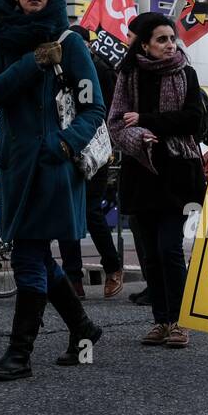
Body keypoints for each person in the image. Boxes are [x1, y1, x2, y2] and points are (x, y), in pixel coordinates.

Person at [0, 0, 105, 378]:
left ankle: (19, 355)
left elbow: (93, 108)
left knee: (28, 256)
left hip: (54, 166)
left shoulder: (70, 43)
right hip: (16, 164)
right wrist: (31, 63)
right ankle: (83, 327)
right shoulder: (0, 41)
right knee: (36, 256)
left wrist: (63, 145)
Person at [107, 12, 206, 348]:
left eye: (171, 38)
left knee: (168, 248)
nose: (169, 45)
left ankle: (180, 322)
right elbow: (117, 123)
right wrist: (138, 138)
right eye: (161, 39)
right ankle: (161, 321)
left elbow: (195, 120)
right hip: (140, 174)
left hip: (177, 173)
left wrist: (149, 122)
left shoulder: (185, 73)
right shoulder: (129, 75)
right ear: (145, 44)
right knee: (149, 253)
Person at [59, 24, 124, 299]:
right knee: (67, 214)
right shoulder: (58, 70)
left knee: (90, 211)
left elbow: (108, 110)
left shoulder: (101, 70)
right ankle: (73, 278)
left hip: (95, 149)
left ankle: (112, 267)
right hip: (65, 146)